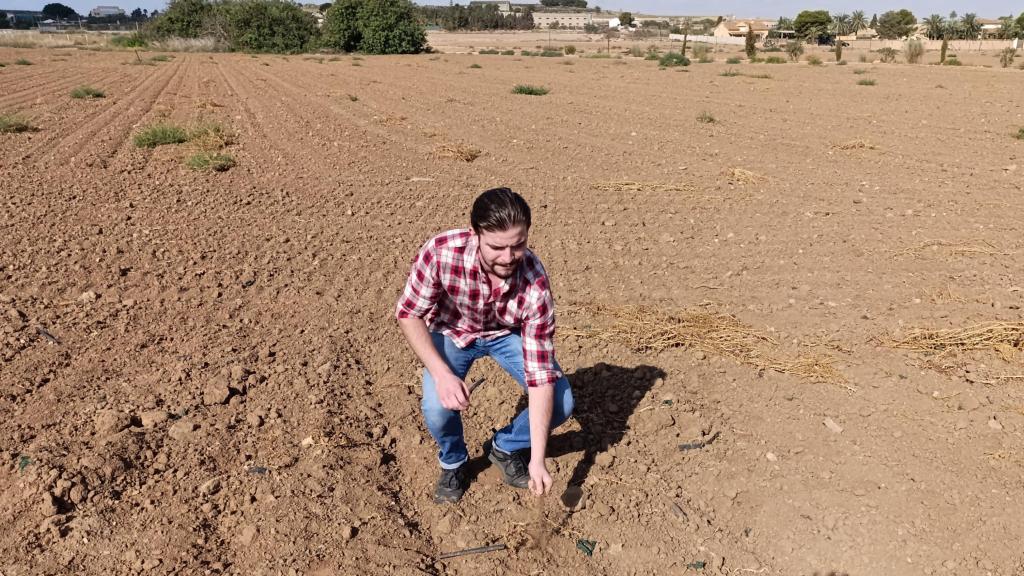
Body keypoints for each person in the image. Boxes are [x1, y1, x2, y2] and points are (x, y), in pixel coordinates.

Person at [395, 187, 574, 503]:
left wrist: (537, 459)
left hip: (505, 334)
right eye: (496, 247)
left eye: (518, 245)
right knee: (437, 407)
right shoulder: (441, 252)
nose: (508, 257)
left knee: (562, 402)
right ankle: (454, 462)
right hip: (452, 332)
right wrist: (442, 375)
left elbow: (540, 377)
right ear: (474, 234)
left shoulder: (535, 284)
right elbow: (409, 313)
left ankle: (505, 446)